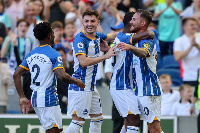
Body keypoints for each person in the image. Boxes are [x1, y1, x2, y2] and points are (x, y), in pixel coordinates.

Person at [13, 22, 85, 133]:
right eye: (52, 32)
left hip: (36, 98)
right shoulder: (54, 54)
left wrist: (22, 97)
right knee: (54, 131)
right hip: (47, 98)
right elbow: (62, 75)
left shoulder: (31, 54)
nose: (54, 35)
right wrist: (76, 81)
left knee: (56, 129)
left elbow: (16, 74)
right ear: (50, 36)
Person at [66, 10, 118, 133]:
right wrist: (105, 56)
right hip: (80, 85)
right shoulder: (80, 39)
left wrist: (130, 32)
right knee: (78, 122)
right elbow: (83, 61)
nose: (89, 24)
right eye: (87, 21)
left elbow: (111, 36)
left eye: (92, 21)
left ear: (98, 22)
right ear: (82, 22)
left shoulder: (97, 36)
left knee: (98, 119)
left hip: (90, 86)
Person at [117, 9, 163, 133]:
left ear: (142, 24)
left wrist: (130, 47)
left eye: (134, 19)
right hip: (137, 91)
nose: (131, 22)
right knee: (129, 122)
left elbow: (145, 53)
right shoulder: (135, 39)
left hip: (149, 91)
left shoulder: (146, 40)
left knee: (154, 127)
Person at [173, 18, 200, 88]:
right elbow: (177, 57)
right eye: (192, 25)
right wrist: (191, 46)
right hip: (189, 76)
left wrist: (196, 45)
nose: (194, 26)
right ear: (184, 27)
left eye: (196, 25)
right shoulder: (179, 41)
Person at [56, 47, 74, 114]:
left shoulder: (73, 68)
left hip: (74, 100)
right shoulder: (52, 71)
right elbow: (53, 90)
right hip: (59, 102)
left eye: (62, 55)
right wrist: (65, 99)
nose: (60, 58)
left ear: (65, 56)